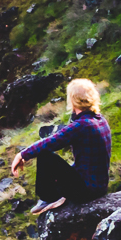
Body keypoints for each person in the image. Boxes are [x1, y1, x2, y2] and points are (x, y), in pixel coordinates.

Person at [11, 78, 112, 210]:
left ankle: (48, 198)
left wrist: (22, 155)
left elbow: (51, 142)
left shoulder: (81, 125)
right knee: (61, 168)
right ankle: (55, 194)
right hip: (100, 187)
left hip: (86, 192)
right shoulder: (100, 120)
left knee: (45, 156)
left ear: (73, 100)